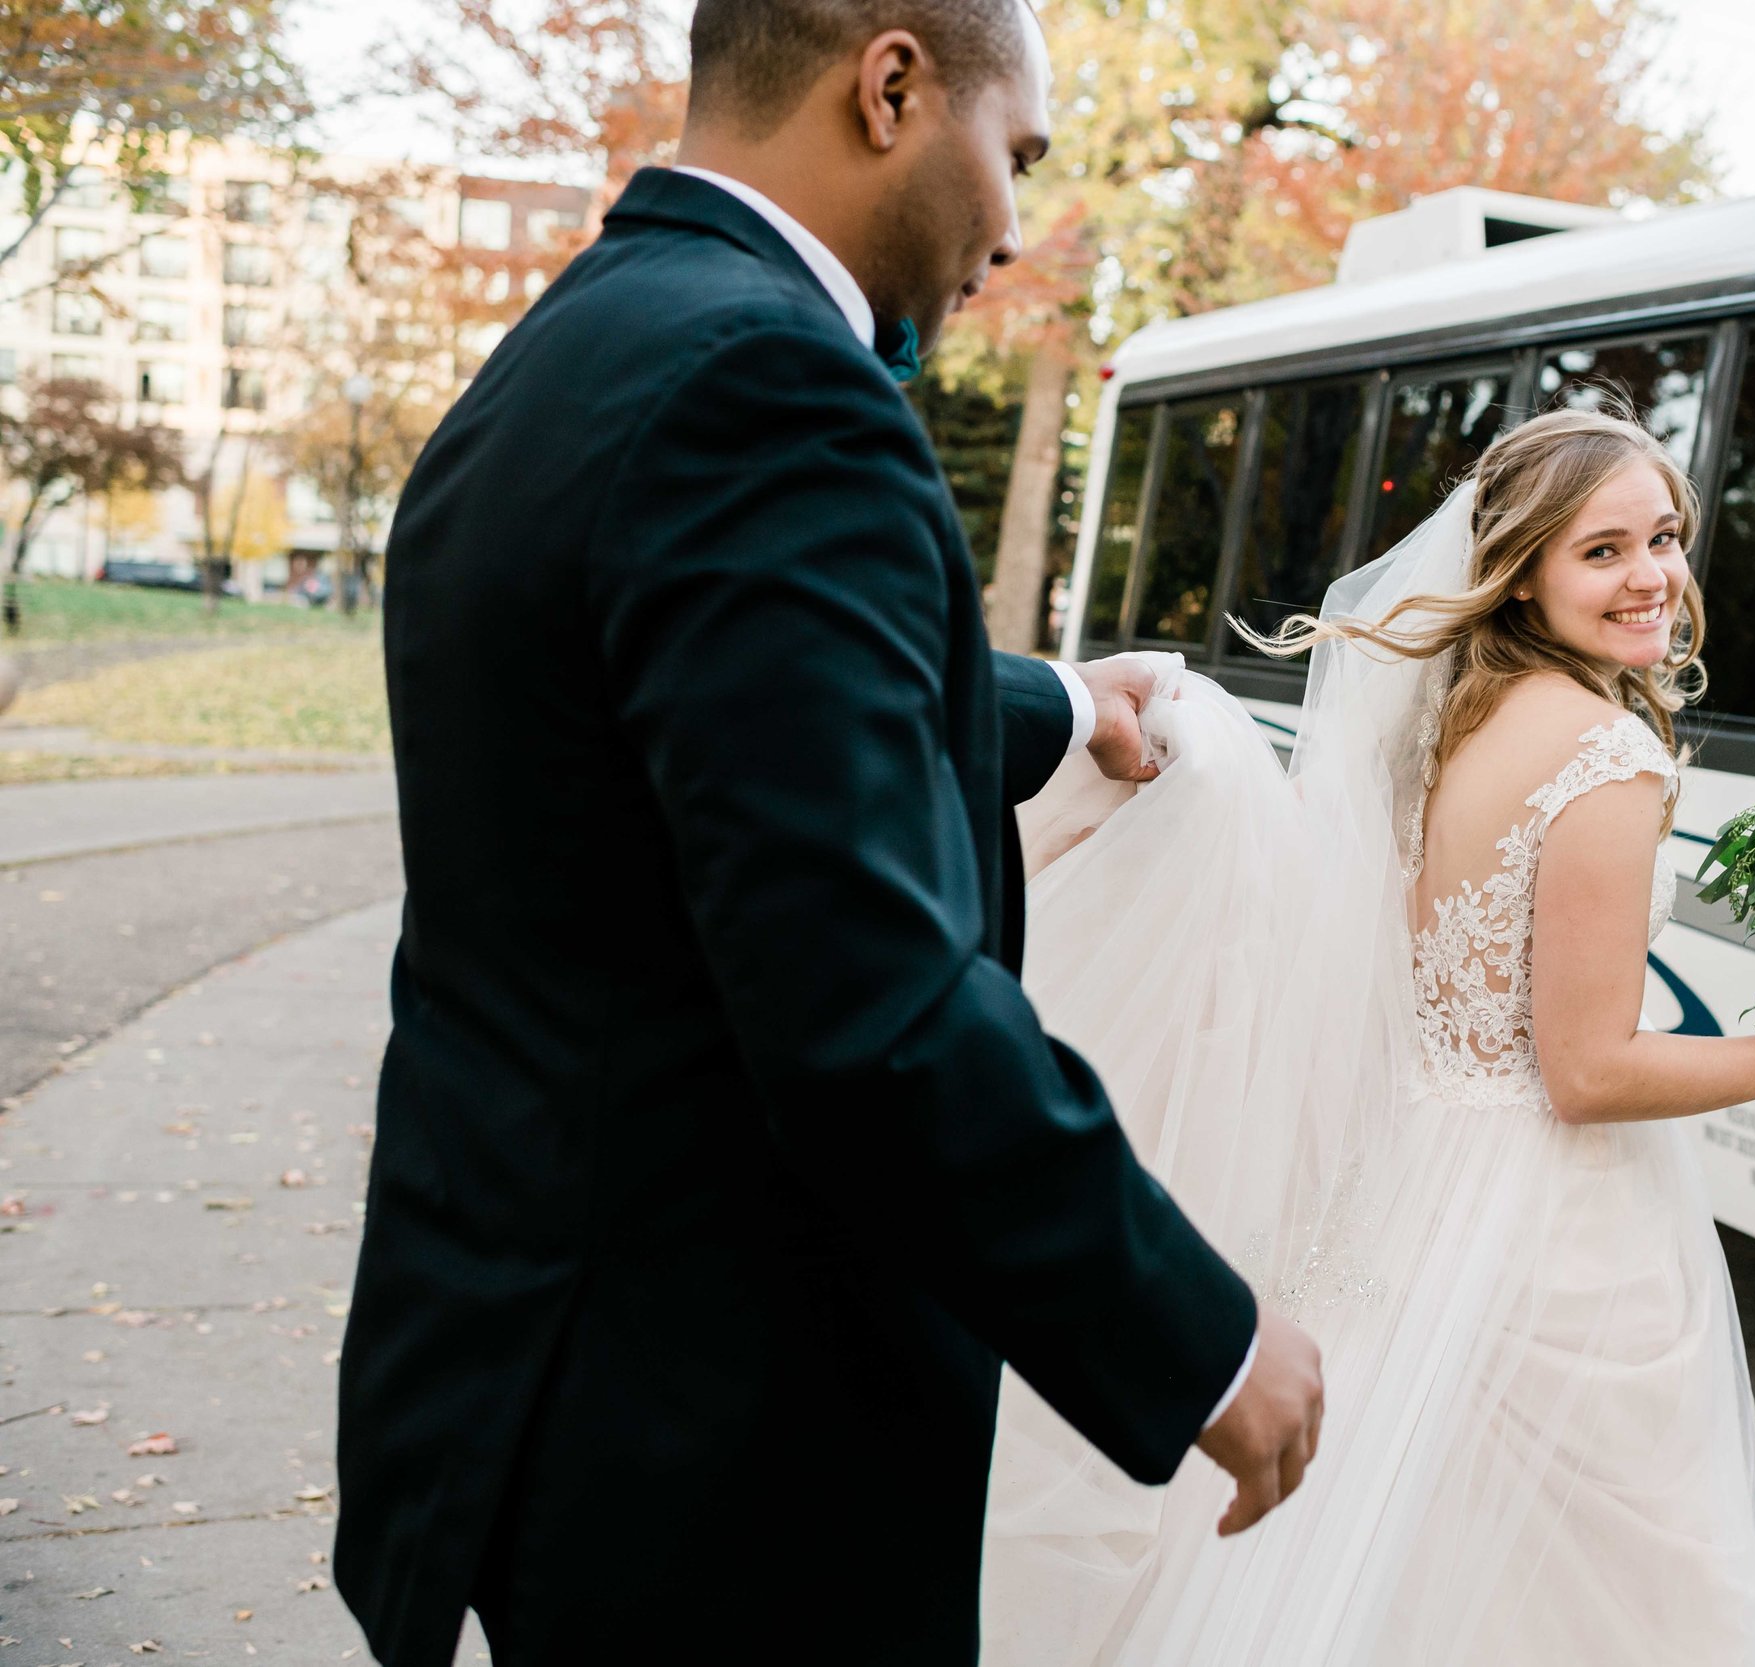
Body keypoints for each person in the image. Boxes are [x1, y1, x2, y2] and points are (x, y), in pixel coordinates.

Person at [332, 3, 1324, 1663]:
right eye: (1014, 159)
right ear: (891, 87)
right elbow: (871, 1007)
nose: (1009, 230)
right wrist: (1203, 1342)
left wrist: (1063, 711)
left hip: (521, 1380)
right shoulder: (774, 388)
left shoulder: (577, 348)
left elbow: (691, 710)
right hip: (717, 1456)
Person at [983, 407, 1755, 1664]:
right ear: (1524, 566)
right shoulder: (1604, 754)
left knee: (1386, 1560)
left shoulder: (1456, 719)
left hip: (1410, 1178)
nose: (1652, 573)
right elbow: (1586, 1069)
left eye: (1663, 536)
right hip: (1554, 1227)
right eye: (1601, 550)